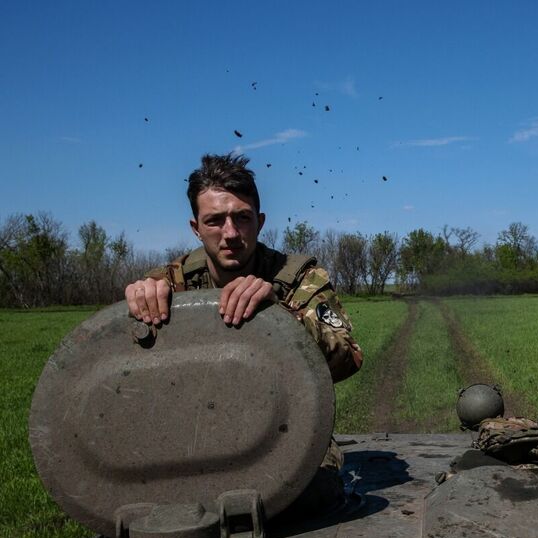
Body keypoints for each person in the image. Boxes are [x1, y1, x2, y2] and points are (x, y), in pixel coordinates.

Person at [123, 153, 361, 501]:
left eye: (242, 218)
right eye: (215, 221)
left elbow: (349, 358)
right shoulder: (170, 284)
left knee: (312, 498)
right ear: (195, 228)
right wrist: (139, 305)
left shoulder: (298, 279)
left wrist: (281, 319)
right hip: (194, 432)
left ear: (260, 222)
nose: (231, 233)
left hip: (285, 427)